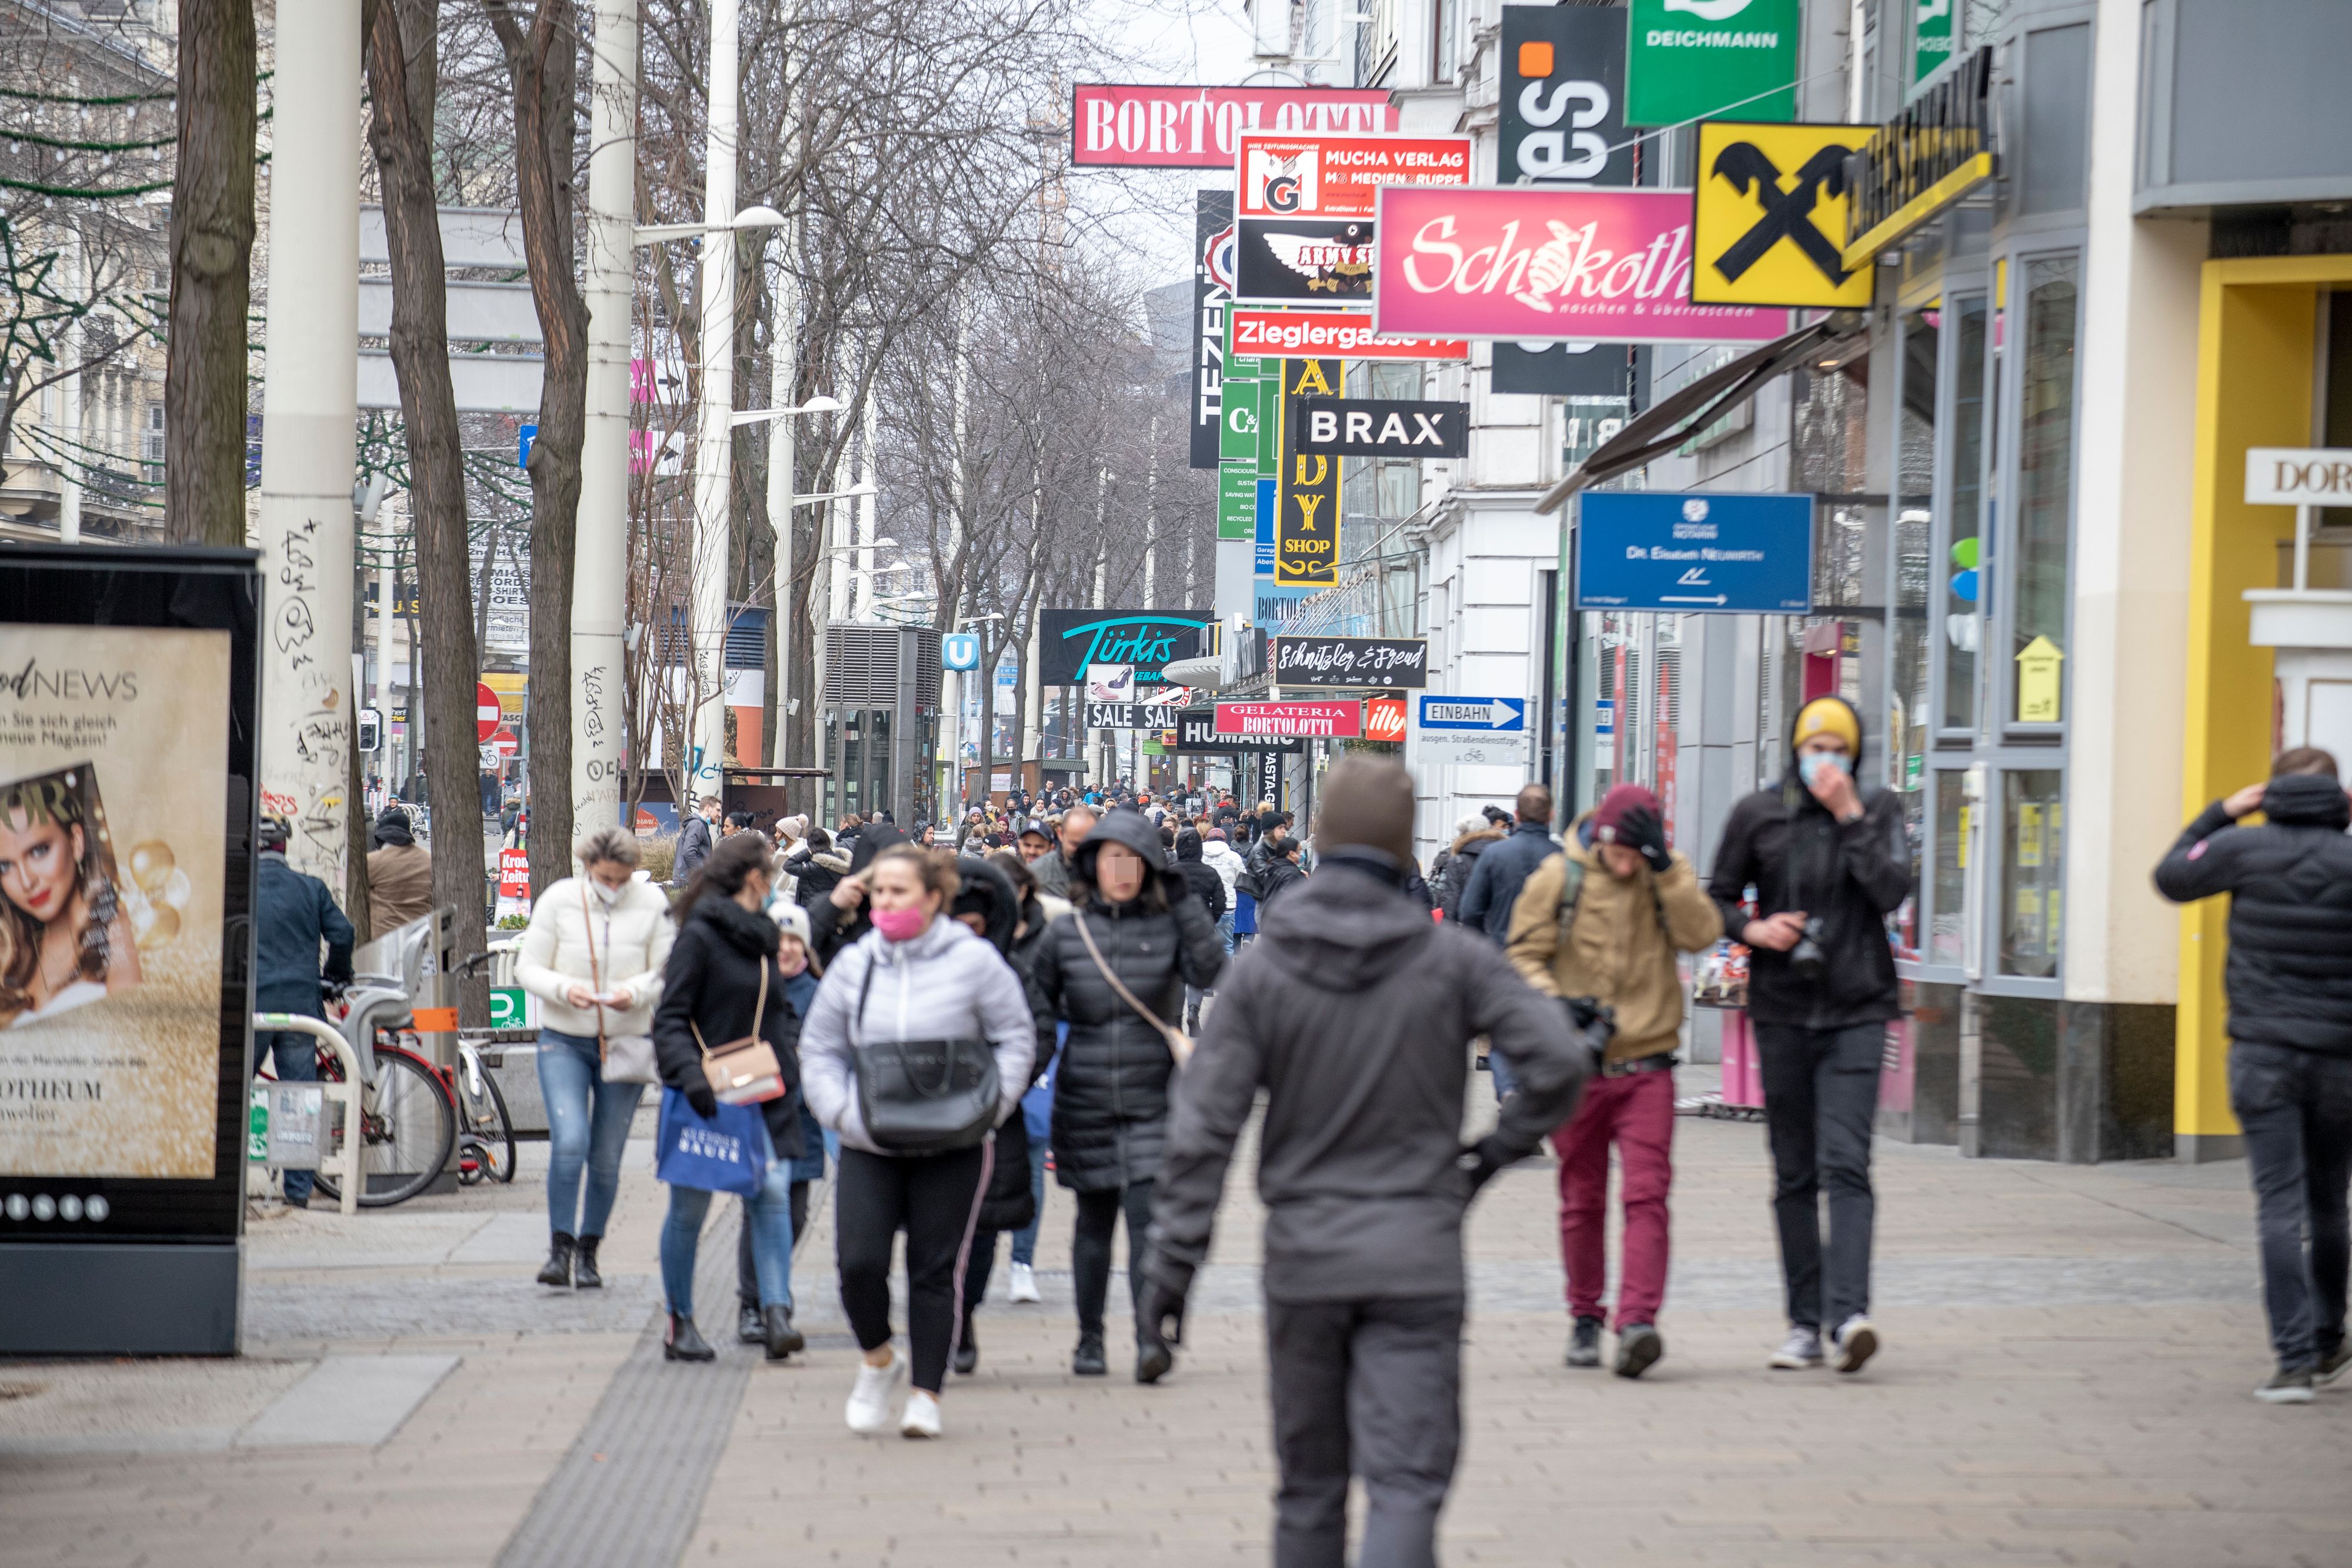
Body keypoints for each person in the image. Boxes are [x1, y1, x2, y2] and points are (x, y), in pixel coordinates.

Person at [1137, 756, 1589, 1568]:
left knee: (1310, 1487)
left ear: (1320, 837)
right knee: (1407, 1481)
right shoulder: (1452, 959)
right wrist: (1488, 1158)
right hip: (1419, 1247)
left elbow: (1204, 1127)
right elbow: (1557, 1061)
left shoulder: (1265, 971)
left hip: (1306, 1253)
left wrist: (1171, 1270)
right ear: (1404, 843)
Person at [800, 845, 1035, 1437]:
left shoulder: (975, 962)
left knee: (934, 1270)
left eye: (898, 892)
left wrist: (991, 1107)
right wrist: (840, 1111)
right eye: (878, 892)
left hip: (952, 1142)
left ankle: (926, 1394)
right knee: (858, 1264)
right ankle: (878, 1359)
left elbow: (1015, 1036)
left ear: (933, 898)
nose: (885, 903)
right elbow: (820, 1046)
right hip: (869, 1138)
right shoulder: (856, 964)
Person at [1707, 694, 1908, 1376]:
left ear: (1854, 753)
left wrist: (1850, 814)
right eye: (1813, 746)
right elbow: (1717, 897)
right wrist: (1753, 930)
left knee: (1847, 1164)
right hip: (1782, 1009)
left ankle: (1849, 1316)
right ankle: (1803, 1324)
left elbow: (1889, 892)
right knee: (1793, 1171)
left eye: (1837, 747)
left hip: (1857, 1007)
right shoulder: (1757, 813)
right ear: (1793, 749)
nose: (1823, 757)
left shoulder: (1878, 810)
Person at [2154, 747, 2352, 1403]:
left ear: (2271, 792)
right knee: (2329, 1204)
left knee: (2278, 1205)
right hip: (2339, 1060)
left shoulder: (2245, 850)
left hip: (2262, 1053)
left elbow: (2169, 877)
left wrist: (2219, 813)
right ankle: (2328, 1342)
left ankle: (2292, 1363)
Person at [1506, 783, 1722, 1379]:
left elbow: (1701, 934)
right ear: (1600, 839)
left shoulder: (1663, 874)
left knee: (1646, 1195)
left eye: (1636, 854)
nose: (1625, 864)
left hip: (1648, 1065)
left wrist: (1666, 870)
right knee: (1582, 1199)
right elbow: (1520, 956)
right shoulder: (1560, 878)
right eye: (1619, 853)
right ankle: (1584, 1317)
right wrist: (1561, 1005)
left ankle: (1637, 1323)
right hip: (1580, 1068)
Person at [1028, 808, 1225, 1379]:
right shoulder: (1066, 932)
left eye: (1133, 860)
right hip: (1083, 1100)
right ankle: (1089, 1338)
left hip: (1151, 1099)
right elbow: (1038, 1017)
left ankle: (1147, 1336)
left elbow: (1212, 971)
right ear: (1092, 865)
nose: (1121, 870)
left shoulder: (1168, 926)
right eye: (1109, 858)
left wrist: (1181, 900)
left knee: (1146, 1224)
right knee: (1092, 1226)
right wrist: (1013, 1090)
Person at [651, 833, 808, 1364]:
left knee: (772, 1191)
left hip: (759, 1089)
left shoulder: (763, 937)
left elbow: (776, 1009)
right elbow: (671, 1016)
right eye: (772, 875)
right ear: (756, 879)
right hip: (706, 1094)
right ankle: (681, 1321)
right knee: (690, 1209)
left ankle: (777, 1312)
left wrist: (787, 1052)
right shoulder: (700, 935)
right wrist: (692, 1078)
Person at [514, 826, 675, 1291]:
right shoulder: (560, 899)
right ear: (588, 869)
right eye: (605, 878)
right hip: (565, 1037)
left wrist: (636, 992)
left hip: (626, 1041)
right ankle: (559, 1247)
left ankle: (590, 1250)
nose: (613, 887)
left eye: (622, 879)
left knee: (606, 1156)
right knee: (570, 1140)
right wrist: (567, 990)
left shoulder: (650, 904)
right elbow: (528, 966)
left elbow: (667, 969)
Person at [941, 856, 1059, 1372]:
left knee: (984, 1226)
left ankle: (963, 1315)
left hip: (992, 1117)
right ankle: (945, 1313)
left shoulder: (1008, 969)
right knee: (936, 1226)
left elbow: (1038, 1033)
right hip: (925, 1116)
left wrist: (1002, 1086)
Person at [736, 901, 828, 1348]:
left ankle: (771, 1291)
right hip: (761, 1117)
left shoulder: (822, 991)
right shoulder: (751, 986)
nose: (787, 948)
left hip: (805, 1122)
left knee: (794, 1213)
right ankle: (757, 1303)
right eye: (780, 939)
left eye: (795, 940)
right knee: (760, 1210)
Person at [246, 817, 352, 1206]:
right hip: (299, 1008)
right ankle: (298, 1192)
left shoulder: (237, 890)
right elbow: (343, 934)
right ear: (284, 847)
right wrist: (335, 974)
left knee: (234, 1094)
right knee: (299, 1097)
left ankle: (229, 1184)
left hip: (251, 1008)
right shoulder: (311, 888)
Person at [1171, 828, 1228, 1031]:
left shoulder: (1171, 871)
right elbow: (1221, 903)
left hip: (1175, 928)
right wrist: (1210, 920)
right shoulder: (1210, 873)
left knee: (1177, 973)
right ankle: (1194, 1010)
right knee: (1196, 968)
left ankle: (1177, 1019)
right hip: (1201, 928)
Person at [365, 805, 433, 930]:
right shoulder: (428, 859)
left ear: (381, 838)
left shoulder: (373, 861)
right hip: (420, 934)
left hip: (384, 935)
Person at [1031, 802, 1095, 898]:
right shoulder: (1037, 871)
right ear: (1061, 834)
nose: (1080, 850)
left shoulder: (1114, 864)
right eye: (1074, 844)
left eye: (1087, 845)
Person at [1200, 828, 1245, 954]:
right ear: (1225, 841)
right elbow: (1242, 880)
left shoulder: (1199, 856)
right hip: (1227, 905)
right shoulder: (1234, 857)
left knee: (1204, 946)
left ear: (1207, 840)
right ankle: (1227, 974)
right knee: (1226, 946)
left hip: (1204, 907)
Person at [1254, 834, 1306, 914]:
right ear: (1292, 853)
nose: (1301, 854)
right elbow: (1291, 903)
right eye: (1299, 850)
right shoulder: (1291, 874)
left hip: (1269, 916)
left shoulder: (1274, 867)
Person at [674, 795, 717, 884]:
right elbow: (688, 852)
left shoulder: (698, 824)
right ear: (708, 808)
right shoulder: (697, 825)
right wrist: (701, 874)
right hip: (689, 880)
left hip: (687, 878)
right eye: (718, 810)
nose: (720, 815)